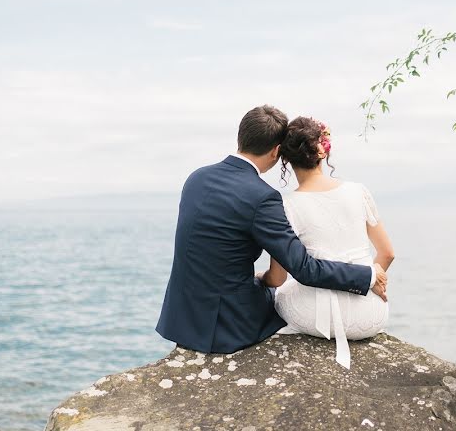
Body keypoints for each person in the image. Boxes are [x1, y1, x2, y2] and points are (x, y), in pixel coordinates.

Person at [155, 105, 388, 355]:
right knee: (280, 297)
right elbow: (304, 270)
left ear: (241, 137)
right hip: (226, 324)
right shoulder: (263, 197)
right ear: (277, 151)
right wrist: (368, 276)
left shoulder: (196, 178)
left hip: (182, 315)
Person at [259, 116, 395, 369]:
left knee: (280, 295)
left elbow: (277, 278)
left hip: (314, 316)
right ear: (323, 149)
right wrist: (373, 281)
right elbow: (387, 253)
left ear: (285, 159)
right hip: (369, 317)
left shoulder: (285, 205)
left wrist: (260, 279)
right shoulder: (358, 191)